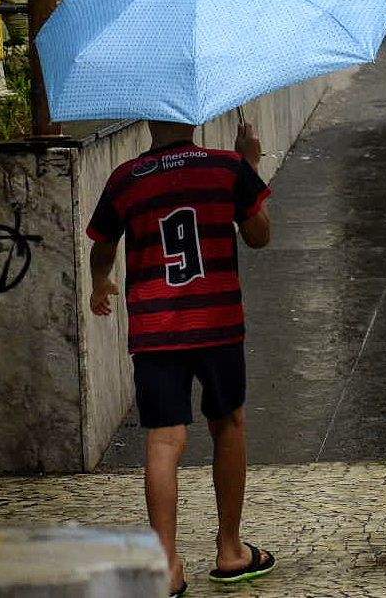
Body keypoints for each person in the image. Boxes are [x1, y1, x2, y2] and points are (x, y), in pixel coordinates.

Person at [88, 119, 276, 596]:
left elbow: (103, 245)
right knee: (228, 424)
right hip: (217, 324)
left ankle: (167, 566)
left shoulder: (126, 178)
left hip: (155, 331)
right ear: (192, 117)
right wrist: (251, 163)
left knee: (164, 441)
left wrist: (100, 283)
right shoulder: (228, 167)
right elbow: (259, 236)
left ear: (151, 120)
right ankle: (230, 549)